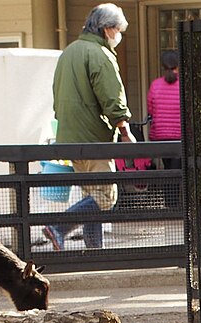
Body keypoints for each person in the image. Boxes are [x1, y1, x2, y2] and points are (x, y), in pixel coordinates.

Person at [45, 3, 135, 251]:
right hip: (94, 138)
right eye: (118, 30)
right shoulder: (100, 55)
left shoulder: (69, 52)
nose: (118, 36)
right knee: (106, 197)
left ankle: (95, 250)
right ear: (107, 29)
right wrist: (125, 131)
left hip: (70, 138)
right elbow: (112, 98)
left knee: (92, 195)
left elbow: (57, 96)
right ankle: (58, 227)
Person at [145, 49, 182, 198]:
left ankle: (169, 202)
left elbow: (151, 110)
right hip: (179, 135)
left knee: (167, 168)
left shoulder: (155, 85)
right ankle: (176, 204)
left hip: (160, 135)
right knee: (177, 170)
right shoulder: (183, 85)